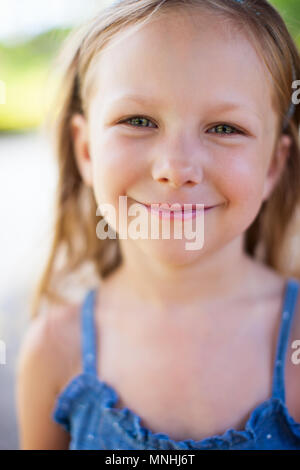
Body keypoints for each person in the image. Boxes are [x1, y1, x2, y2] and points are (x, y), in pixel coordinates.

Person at [16, 0, 300, 450]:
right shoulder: (54, 349)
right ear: (86, 150)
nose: (176, 167)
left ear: (273, 165)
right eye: (138, 121)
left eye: (224, 128)